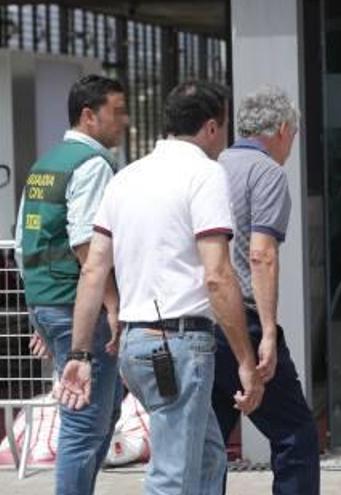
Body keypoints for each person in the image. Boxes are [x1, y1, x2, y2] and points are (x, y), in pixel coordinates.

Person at [57, 80, 265, 494]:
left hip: (137, 343)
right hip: (179, 344)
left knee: (207, 458)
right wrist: (245, 358)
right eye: (223, 129)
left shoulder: (126, 177)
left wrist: (80, 352)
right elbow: (218, 275)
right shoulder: (205, 174)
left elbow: (94, 270)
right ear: (210, 128)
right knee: (171, 477)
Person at [14, 74, 127, 495]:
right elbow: (87, 245)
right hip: (79, 305)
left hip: (48, 301)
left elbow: (26, 243)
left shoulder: (46, 164)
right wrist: (113, 304)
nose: (125, 121)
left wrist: (39, 313)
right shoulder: (91, 164)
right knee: (84, 420)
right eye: (116, 112)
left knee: (104, 411)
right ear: (88, 116)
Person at [211, 86, 320, 494]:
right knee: (296, 435)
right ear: (281, 129)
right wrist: (270, 333)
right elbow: (261, 254)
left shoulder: (211, 168)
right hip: (244, 322)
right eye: (294, 134)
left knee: (209, 444)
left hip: (202, 321)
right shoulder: (267, 173)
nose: (292, 144)